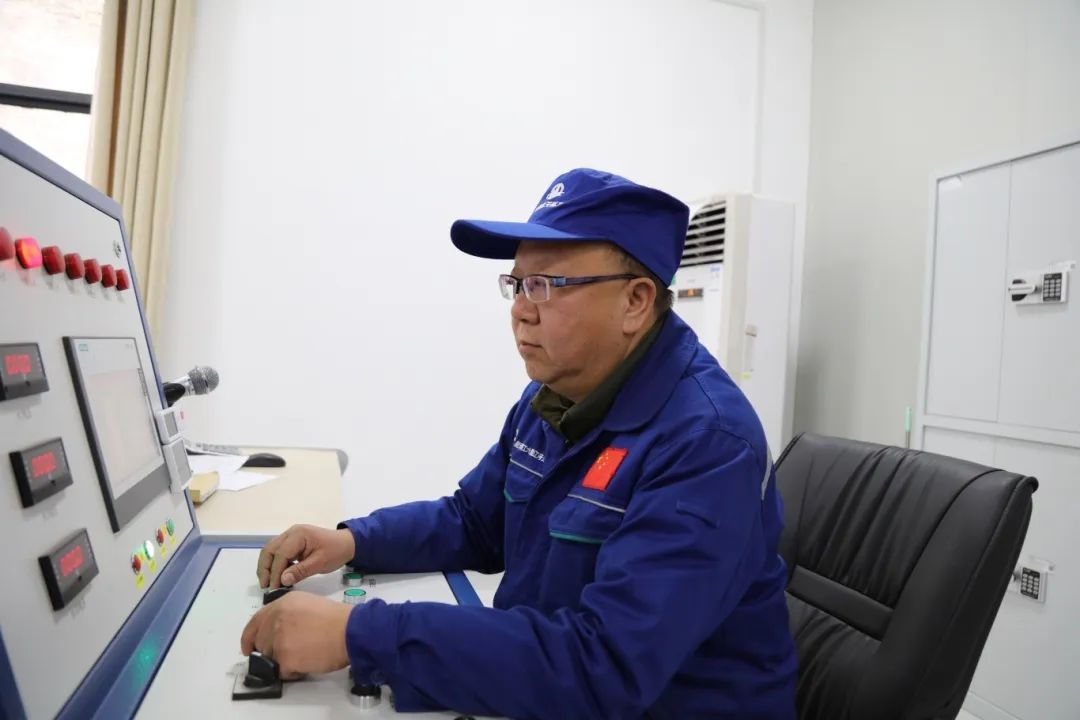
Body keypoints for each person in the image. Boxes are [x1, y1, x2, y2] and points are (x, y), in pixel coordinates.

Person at [242, 168, 798, 718]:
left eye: (546, 285)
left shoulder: (707, 444)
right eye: (517, 284)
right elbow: (475, 522)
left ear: (635, 301)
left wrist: (361, 634)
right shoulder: (555, 396)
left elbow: (606, 666)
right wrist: (353, 541)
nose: (520, 309)